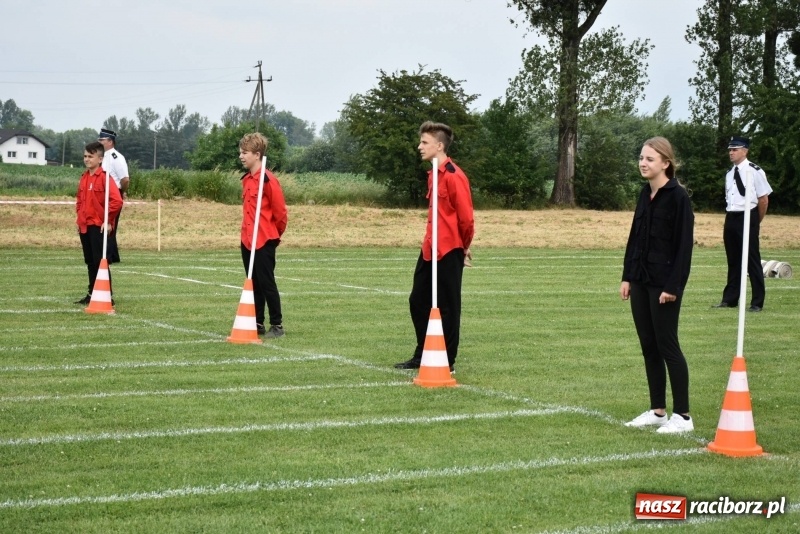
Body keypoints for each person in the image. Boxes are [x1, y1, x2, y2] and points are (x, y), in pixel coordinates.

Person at [620, 137, 695, 434]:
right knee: (648, 346)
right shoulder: (644, 194)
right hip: (640, 279)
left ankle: (684, 416)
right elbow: (635, 237)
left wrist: (673, 286)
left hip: (664, 285)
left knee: (668, 346)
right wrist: (627, 276)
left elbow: (683, 248)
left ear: (666, 163)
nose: (643, 163)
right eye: (641, 157)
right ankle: (658, 411)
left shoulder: (678, 198)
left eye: (650, 159)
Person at [395, 121, 474, 373]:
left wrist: (464, 246)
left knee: (448, 306)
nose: (420, 147)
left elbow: (466, 218)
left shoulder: (454, 176)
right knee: (418, 300)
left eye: (425, 142)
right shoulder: (433, 174)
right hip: (430, 247)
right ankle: (423, 352)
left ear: (439, 146)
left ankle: (447, 361)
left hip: (449, 250)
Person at [713, 136, 772, 312]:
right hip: (731, 216)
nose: (731, 152)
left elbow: (763, 199)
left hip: (748, 215)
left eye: (735, 149)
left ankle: (757, 302)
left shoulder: (755, 171)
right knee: (733, 259)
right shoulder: (729, 173)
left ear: (745, 151)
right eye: (730, 150)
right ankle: (730, 299)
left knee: (752, 259)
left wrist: (755, 221)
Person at [238, 132, 288, 338]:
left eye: (245, 152)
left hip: (264, 239)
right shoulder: (247, 179)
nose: (241, 156)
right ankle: (256, 322)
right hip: (247, 239)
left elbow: (280, 212)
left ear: (257, 154)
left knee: (267, 283)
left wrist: (274, 235)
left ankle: (276, 325)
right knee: (253, 282)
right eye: (240, 152)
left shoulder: (268, 180)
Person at [74, 141, 123, 304]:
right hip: (85, 226)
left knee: (100, 261)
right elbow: (80, 200)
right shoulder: (84, 177)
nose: (87, 159)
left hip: (98, 226)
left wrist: (107, 220)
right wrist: (79, 219)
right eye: (85, 156)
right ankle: (91, 293)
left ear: (100, 159)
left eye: (90, 156)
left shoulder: (105, 178)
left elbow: (117, 201)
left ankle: (107, 295)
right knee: (89, 261)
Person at [97, 128, 129, 264]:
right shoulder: (103, 157)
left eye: (102, 140)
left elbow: (125, 179)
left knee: (109, 224)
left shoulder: (116, 157)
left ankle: (108, 256)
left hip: (113, 194)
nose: (99, 142)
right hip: (104, 194)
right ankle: (113, 255)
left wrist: (122, 191)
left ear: (110, 142)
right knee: (108, 224)